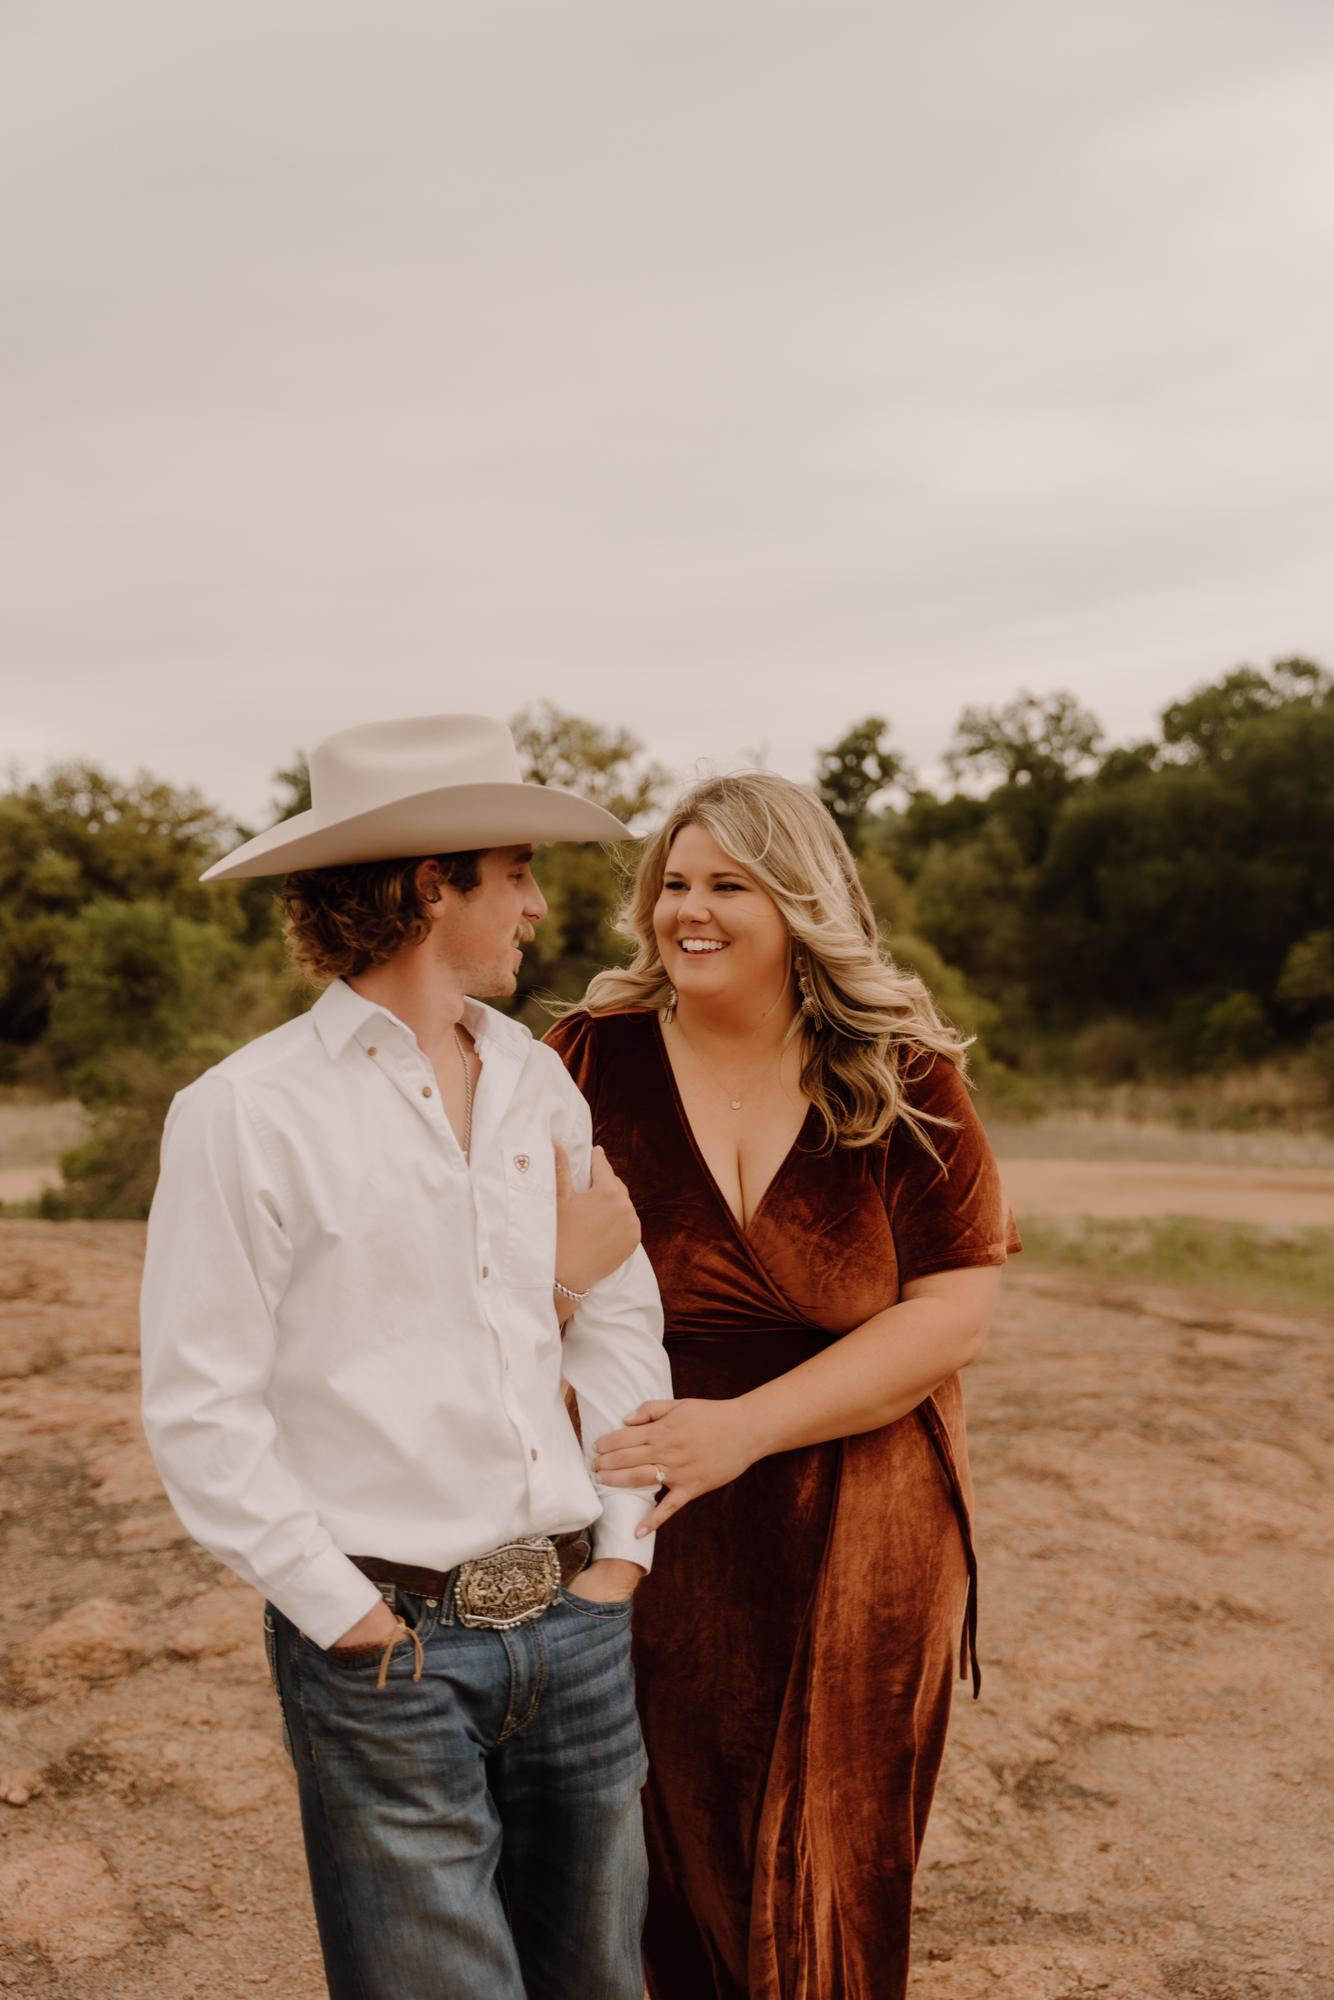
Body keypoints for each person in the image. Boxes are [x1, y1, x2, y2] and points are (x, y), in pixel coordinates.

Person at [140, 713, 672, 2000]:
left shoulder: (537, 1080)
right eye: (516, 873)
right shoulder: (244, 1112)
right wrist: (345, 1614)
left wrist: (619, 1552)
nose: (537, 905)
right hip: (387, 1650)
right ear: (433, 884)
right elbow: (202, 1404)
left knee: (601, 1982)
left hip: (576, 1625)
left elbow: (618, 1319)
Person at [545, 770, 1021, 2000]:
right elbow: (499, 1273)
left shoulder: (897, 1070)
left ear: (798, 901)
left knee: (833, 1853)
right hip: (648, 1511)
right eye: (672, 884)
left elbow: (954, 1310)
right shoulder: (584, 1058)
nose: (686, 911)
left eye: (727, 885)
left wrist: (745, 1429)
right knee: (654, 1842)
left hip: (863, 1522)